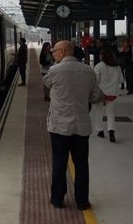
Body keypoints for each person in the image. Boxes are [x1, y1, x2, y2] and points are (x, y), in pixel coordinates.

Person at [43, 40, 103, 210]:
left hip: (59, 127)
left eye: (54, 51)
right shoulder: (88, 71)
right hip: (81, 126)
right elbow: (96, 95)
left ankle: (57, 199)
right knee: (82, 164)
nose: (53, 54)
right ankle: (82, 201)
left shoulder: (55, 70)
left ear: (62, 52)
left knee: (59, 163)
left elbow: (46, 83)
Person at [89, 47, 123, 143]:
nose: (99, 55)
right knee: (110, 113)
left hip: (101, 94)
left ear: (104, 56)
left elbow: (95, 81)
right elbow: (121, 80)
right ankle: (111, 131)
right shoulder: (117, 67)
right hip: (113, 94)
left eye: (101, 54)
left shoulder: (99, 66)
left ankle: (100, 131)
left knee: (99, 112)